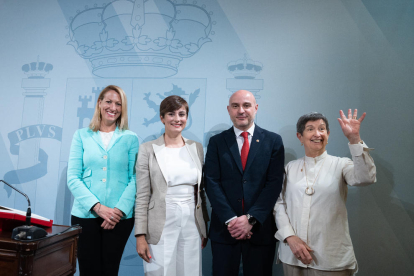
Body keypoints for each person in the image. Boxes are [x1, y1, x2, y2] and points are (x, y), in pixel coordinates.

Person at [274, 110, 376, 276]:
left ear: (328, 134)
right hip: (292, 255)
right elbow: (279, 204)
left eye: (322, 129)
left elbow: (366, 178)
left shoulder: (341, 164)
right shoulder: (290, 168)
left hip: (330, 258)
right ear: (300, 137)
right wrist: (289, 237)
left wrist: (354, 139)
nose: (317, 134)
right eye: (310, 129)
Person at [204, 90, 285, 276]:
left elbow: (274, 183)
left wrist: (251, 219)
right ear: (228, 110)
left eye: (246, 105)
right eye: (235, 106)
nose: (241, 110)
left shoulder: (273, 141)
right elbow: (211, 182)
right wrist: (232, 221)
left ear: (255, 108)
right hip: (225, 230)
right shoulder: (216, 142)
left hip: (260, 230)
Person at [67, 85, 138, 276]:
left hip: (119, 218)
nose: (113, 107)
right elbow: (73, 177)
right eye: (108, 101)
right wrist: (97, 208)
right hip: (85, 216)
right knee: (88, 271)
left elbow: (135, 178)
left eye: (118, 104)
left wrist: (118, 211)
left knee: (109, 270)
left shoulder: (131, 138)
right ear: (99, 103)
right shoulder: (81, 135)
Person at [134, 95, 209, 276]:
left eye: (182, 114)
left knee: (190, 270)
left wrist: (204, 225)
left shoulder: (196, 148)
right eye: (171, 114)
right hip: (161, 220)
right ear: (162, 118)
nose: (177, 119)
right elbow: (143, 195)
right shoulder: (147, 149)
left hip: (192, 219)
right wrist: (140, 236)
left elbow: (201, 191)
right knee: (161, 271)